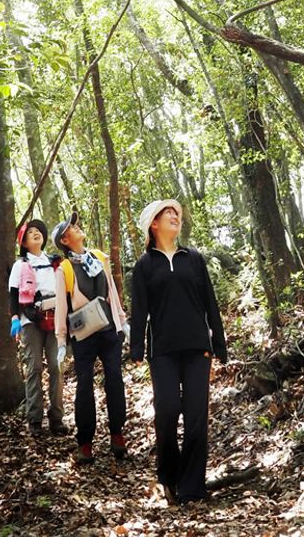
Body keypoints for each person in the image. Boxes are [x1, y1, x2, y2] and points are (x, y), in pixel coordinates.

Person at [129, 199, 227, 508]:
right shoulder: (144, 266)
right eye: (168, 213)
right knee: (168, 410)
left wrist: (219, 343)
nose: (175, 216)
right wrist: (136, 349)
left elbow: (210, 301)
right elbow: (139, 311)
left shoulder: (193, 258)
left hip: (198, 347)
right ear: (153, 224)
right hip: (163, 351)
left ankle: (192, 487)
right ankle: (168, 477)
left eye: (177, 214)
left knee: (197, 416)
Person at [53, 210, 128, 465]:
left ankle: (117, 433)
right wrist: (61, 341)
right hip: (83, 335)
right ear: (64, 240)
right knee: (84, 386)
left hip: (108, 330)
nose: (77, 229)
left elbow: (112, 292)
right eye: (71, 229)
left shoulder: (97, 257)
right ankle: (85, 442)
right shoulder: (64, 268)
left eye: (75, 226)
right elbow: (62, 307)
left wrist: (122, 321)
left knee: (115, 379)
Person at [7, 219, 68, 435]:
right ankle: (34, 420)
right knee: (34, 368)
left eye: (38, 231)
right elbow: (13, 294)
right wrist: (15, 318)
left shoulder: (55, 262)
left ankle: (57, 419)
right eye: (30, 232)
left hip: (55, 319)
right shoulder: (20, 265)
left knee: (56, 366)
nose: (35, 234)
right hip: (30, 321)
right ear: (23, 242)